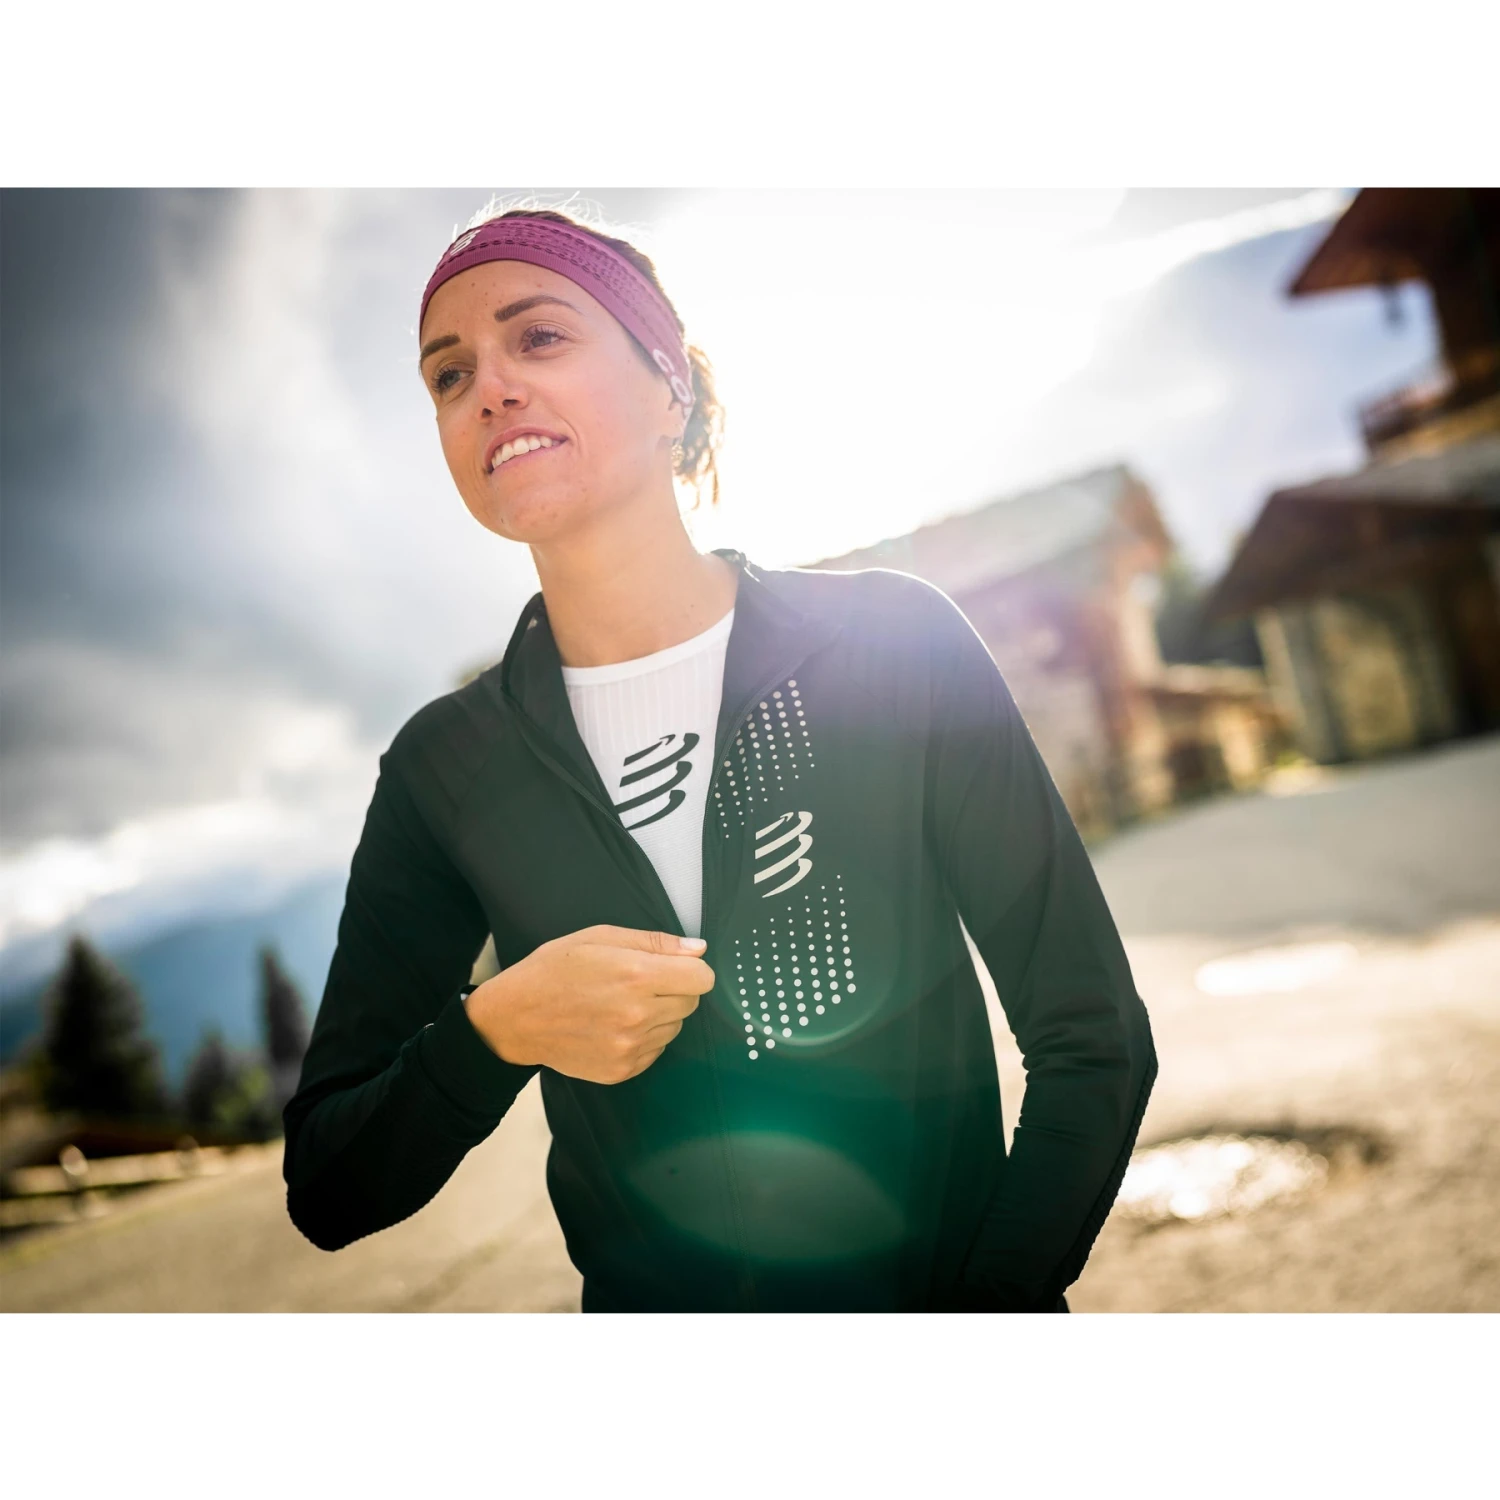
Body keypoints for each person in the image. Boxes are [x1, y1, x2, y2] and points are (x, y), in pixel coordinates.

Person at [281, 203, 1158, 1312]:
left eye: (539, 337)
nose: (489, 387)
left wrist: (992, 1300)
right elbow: (331, 1183)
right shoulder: (444, 767)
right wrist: (495, 1030)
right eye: (448, 375)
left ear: (670, 387)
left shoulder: (892, 647)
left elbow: (1093, 1041)